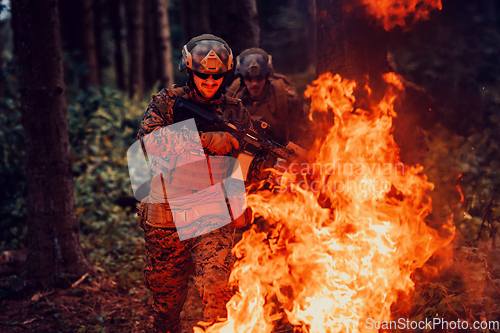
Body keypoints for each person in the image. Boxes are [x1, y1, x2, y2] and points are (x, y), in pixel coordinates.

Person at [136, 34, 252, 333]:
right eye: (203, 74)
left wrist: (241, 204)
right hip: (167, 214)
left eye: (217, 76)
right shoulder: (168, 102)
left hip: (212, 213)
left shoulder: (236, 111)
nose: (210, 81)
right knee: (166, 306)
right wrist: (205, 140)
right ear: (189, 71)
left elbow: (245, 162)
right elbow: (148, 144)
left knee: (216, 294)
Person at [227, 48, 308, 147]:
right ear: (242, 79)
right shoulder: (233, 97)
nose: (254, 84)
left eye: (260, 78)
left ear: (267, 76)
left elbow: (303, 136)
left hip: (279, 157)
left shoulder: (286, 100)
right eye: (249, 78)